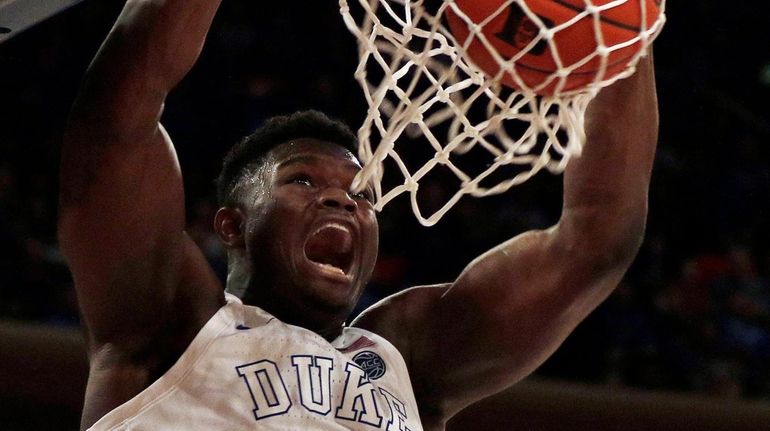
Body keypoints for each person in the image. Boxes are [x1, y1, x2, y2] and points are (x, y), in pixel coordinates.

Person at [59, 0, 659, 430]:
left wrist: (609, 28)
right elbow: (115, 121)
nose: (343, 198)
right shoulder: (168, 321)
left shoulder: (409, 356)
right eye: (302, 180)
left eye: (362, 193)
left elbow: (596, 241)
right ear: (232, 224)